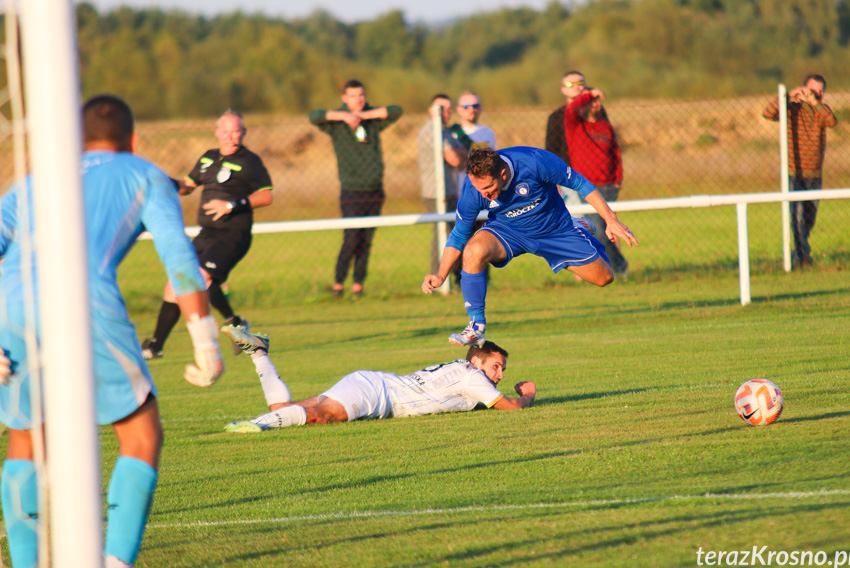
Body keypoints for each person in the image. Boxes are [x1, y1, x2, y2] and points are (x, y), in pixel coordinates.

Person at [0, 95, 224, 568]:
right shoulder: (143, 173)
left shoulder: (33, 181)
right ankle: (114, 567)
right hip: (85, 301)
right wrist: (205, 340)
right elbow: (178, 257)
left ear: (77, 142)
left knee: (25, 442)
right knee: (141, 434)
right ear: (134, 139)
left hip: (11, 307)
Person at [421, 147, 638, 347]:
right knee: (473, 250)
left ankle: (577, 227)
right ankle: (476, 326)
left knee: (604, 278)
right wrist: (441, 275)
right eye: (479, 188)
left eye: (488, 187)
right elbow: (459, 234)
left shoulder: (534, 162)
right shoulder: (474, 189)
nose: (483, 194)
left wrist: (610, 219)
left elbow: (581, 184)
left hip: (555, 231)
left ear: (504, 173)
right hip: (508, 231)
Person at [221, 327, 535, 433]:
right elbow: (507, 406)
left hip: (372, 384)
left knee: (284, 409)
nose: (500, 375)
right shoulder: (473, 377)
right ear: (478, 361)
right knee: (324, 416)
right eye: (496, 366)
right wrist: (528, 396)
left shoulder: (464, 371)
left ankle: (259, 353)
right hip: (378, 393)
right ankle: (254, 425)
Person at [142, 110, 273, 359]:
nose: (230, 136)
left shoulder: (250, 161)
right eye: (225, 131)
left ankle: (231, 326)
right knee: (176, 282)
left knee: (201, 277)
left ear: (243, 133)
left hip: (233, 235)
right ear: (217, 132)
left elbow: (266, 195)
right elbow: (187, 186)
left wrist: (232, 205)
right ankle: (155, 346)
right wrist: (162, 181)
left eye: (236, 131)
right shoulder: (208, 158)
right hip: (207, 233)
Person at [309, 80, 403, 297]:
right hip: (351, 190)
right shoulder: (336, 121)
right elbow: (314, 116)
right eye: (353, 96)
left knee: (367, 239)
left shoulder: (372, 118)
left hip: (375, 189)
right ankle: (339, 283)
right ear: (344, 98)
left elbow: (396, 111)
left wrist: (363, 116)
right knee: (352, 237)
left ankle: (358, 285)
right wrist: (346, 117)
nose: (358, 100)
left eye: (361, 95)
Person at [763, 73, 837, 268]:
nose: (816, 95)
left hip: (815, 174)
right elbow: (768, 113)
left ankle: (798, 253)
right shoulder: (792, 110)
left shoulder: (822, 111)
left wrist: (814, 102)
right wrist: (787, 95)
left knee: (809, 219)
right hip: (795, 173)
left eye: (820, 92)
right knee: (797, 217)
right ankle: (804, 258)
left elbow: (831, 121)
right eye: (812, 91)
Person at [564, 87, 628, 276]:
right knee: (598, 230)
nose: (597, 105)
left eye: (598, 101)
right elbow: (570, 110)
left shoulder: (604, 125)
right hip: (588, 187)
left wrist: (617, 179)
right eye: (592, 102)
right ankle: (618, 266)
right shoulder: (575, 125)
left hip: (609, 185)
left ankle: (611, 270)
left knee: (610, 228)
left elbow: (615, 154)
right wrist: (589, 93)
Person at [417, 94, 468, 274]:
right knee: (442, 236)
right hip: (436, 192)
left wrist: (460, 155)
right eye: (440, 109)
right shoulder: (432, 130)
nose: (445, 113)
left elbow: (463, 153)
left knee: (455, 234)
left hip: (450, 190)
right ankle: (437, 276)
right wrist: (460, 156)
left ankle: (456, 276)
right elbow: (456, 159)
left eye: (448, 109)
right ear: (431, 110)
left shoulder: (445, 130)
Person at [545, 70, 587, 164]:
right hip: (568, 170)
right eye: (570, 84)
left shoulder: (596, 113)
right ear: (564, 90)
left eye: (580, 83)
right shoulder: (556, 117)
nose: (576, 87)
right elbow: (552, 150)